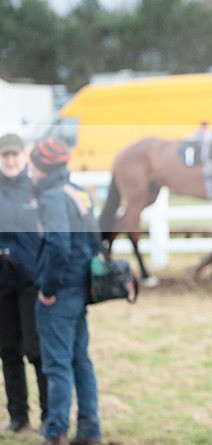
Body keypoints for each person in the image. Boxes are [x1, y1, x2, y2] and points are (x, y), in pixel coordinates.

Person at [29, 137, 102, 445]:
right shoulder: (78, 193)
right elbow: (95, 240)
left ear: (42, 167)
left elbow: (58, 244)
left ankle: (55, 432)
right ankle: (89, 429)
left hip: (59, 294)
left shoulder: (52, 198)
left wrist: (48, 288)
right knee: (79, 361)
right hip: (80, 289)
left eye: (32, 165)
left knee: (57, 365)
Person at [0, 133, 47, 433]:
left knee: (36, 350)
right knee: (8, 350)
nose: (11, 161)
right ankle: (18, 416)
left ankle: (47, 416)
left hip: (31, 282)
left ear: (23, 157)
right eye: (5, 156)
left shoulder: (37, 189)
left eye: (15, 155)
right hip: (2, 283)